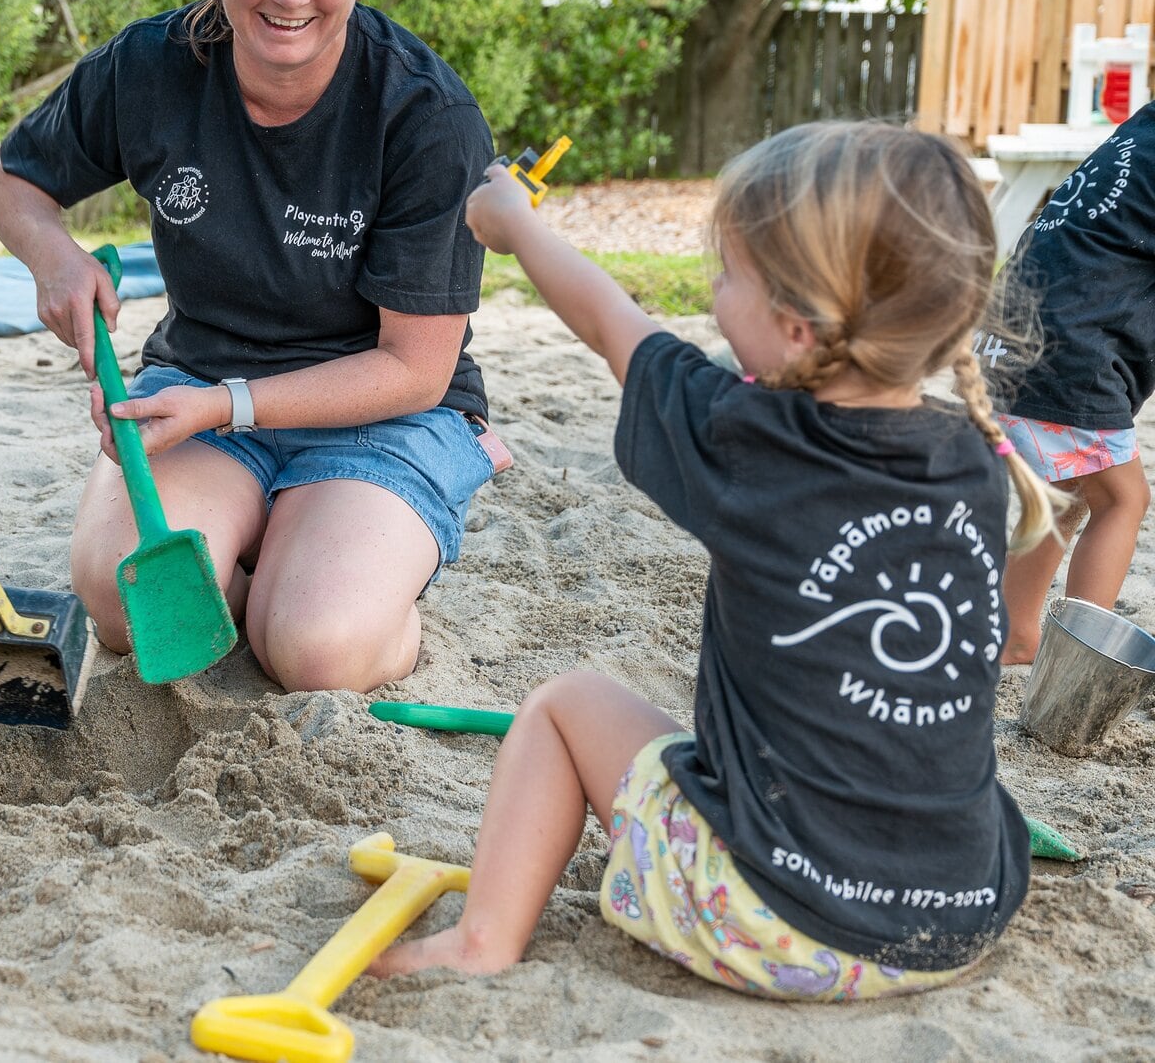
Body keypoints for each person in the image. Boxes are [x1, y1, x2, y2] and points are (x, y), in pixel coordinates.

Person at [370, 122, 1057, 998]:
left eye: (729, 274)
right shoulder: (974, 459)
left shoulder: (742, 438)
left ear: (799, 328)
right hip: (957, 916)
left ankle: (481, 941)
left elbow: (613, 325)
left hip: (777, 922)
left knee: (564, 705)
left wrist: (519, 226)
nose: (712, 291)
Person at [0, 0, 505, 694]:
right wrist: (55, 260)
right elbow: (11, 181)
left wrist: (226, 407)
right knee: (118, 603)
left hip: (379, 409)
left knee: (313, 651)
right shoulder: (150, 66)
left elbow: (415, 367)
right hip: (200, 383)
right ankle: (280, 537)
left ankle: (360, 561)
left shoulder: (427, 116)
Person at [990, 99, 1153, 663]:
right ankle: (1078, 665)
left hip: (1009, 342)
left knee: (1065, 490)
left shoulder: (1141, 134)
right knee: (1122, 501)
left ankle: (1015, 634)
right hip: (1063, 359)